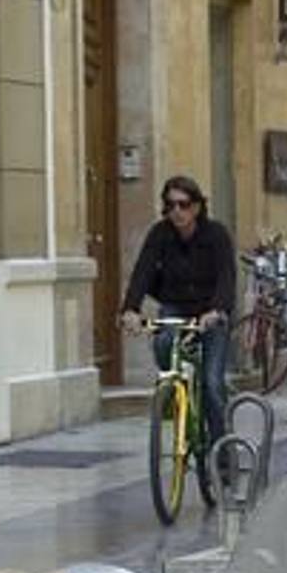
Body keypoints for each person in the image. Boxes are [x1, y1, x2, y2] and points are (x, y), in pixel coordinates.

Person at [118, 176, 236, 457]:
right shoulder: (160, 234)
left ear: (196, 207)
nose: (177, 212)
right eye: (170, 205)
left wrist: (216, 310)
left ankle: (222, 456)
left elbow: (227, 277)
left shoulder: (216, 234)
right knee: (162, 342)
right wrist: (130, 309)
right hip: (175, 307)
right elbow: (143, 271)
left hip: (210, 312)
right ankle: (172, 390)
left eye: (183, 205)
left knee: (211, 384)